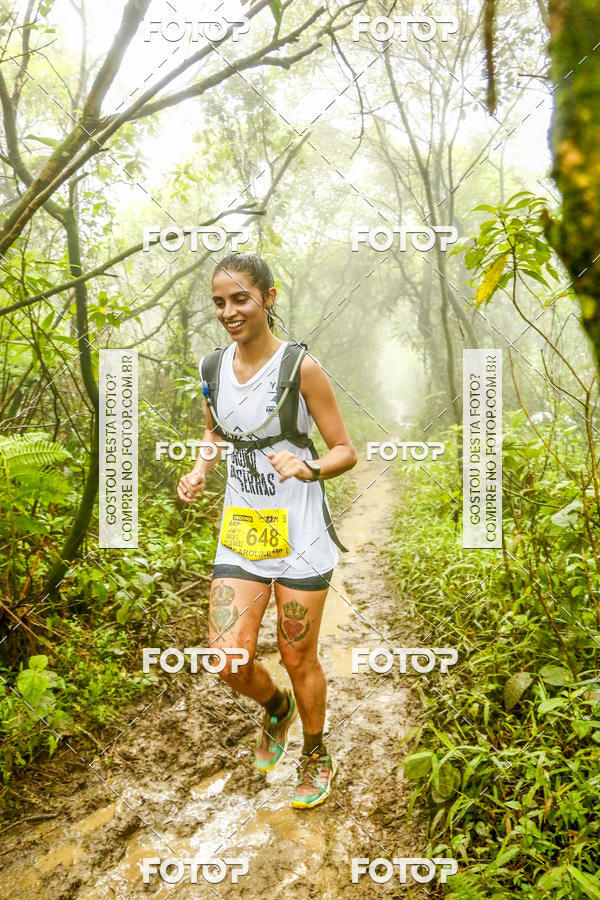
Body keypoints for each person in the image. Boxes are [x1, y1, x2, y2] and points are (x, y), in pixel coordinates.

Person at [177, 252, 357, 808]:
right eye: (219, 302)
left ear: (268, 298)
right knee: (226, 657)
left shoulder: (301, 368)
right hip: (244, 531)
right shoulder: (211, 368)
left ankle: (315, 753)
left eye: (240, 299)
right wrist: (200, 468)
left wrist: (308, 466)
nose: (228, 312)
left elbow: (345, 450)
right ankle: (277, 708)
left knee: (298, 655)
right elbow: (215, 433)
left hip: (301, 533)